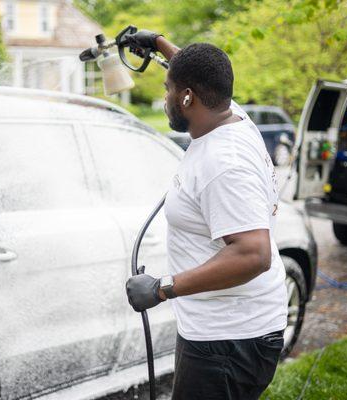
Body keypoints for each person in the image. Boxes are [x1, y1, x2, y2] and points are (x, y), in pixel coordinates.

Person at [124, 30, 288, 400]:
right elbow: (203, 72)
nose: (164, 97)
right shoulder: (230, 114)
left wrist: (162, 288)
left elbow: (252, 253)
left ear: (187, 97)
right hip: (222, 330)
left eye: (168, 89)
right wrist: (160, 45)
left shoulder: (224, 164)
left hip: (229, 341)